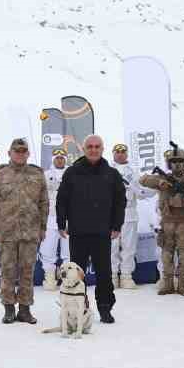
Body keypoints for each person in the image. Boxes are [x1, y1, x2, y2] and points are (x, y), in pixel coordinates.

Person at [56, 135, 126, 324]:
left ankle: (105, 308)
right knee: (76, 275)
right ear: (84, 149)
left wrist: (117, 225)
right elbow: (62, 200)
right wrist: (61, 223)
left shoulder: (112, 174)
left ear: (103, 149)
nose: (93, 150)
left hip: (102, 232)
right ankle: (78, 309)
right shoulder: (72, 172)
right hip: (78, 232)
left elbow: (120, 201)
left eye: (97, 146)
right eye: (90, 146)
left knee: (104, 273)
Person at [0, 137, 48, 323]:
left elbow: (44, 203)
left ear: (27, 153)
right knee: (8, 271)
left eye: (23, 151)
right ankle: (9, 308)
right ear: (9, 153)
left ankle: (25, 309)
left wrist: (42, 227)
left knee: (27, 271)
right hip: (6, 231)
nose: (20, 154)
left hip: (30, 230)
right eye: (16, 151)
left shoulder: (37, 174)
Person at [140, 146, 184, 295]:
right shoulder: (164, 178)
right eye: (174, 161)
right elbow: (142, 180)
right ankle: (167, 284)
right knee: (166, 254)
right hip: (167, 222)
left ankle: (182, 285)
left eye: (180, 161)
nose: (177, 164)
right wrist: (161, 183)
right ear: (169, 164)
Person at [109, 143, 152, 290]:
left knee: (129, 246)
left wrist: (134, 186)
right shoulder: (107, 170)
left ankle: (126, 275)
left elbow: (143, 194)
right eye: (117, 152)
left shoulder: (134, 171)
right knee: (111, 246)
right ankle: (113, 275)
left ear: (127, 154)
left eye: (123, 152)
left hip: (129, 212)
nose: (120, 154)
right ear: (113, 153)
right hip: (111, 213)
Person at [39, 148, 69, 288]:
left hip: (69, 217)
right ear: (53, 159)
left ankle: (67, 277)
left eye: (62, 157)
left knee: (68, 250)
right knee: (48, 248)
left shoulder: (72, 173)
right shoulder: (45, 174)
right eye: (57, 157)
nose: (59, 159)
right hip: (50, 217)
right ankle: (49, 276)